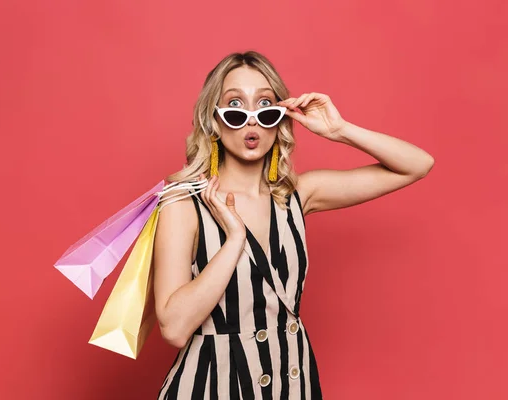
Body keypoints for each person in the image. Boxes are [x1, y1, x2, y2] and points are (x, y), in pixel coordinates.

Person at [152, 50, 435, 399]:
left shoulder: (297, 195)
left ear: (280, 118)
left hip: (293, 384)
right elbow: (175, 328)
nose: (251, 120)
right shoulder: (184, 203)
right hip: (213, 387)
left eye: (265, 105)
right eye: (236, 106)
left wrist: (339, 130)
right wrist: (234, 239)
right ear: (214, 119)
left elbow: (417, 165)